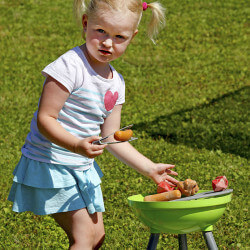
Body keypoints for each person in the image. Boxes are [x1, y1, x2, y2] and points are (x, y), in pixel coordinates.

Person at [8, 0, 179, 249]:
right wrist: (76, 144)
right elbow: (45, 119)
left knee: (96, 238)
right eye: (101, 31)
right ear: (86, 23)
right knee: (85, 238)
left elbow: (111, 136)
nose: (108, 42)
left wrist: (149, 168)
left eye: (119, 36)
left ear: (133, 37)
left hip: (80, 167)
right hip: (51, 164)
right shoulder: (70, 66)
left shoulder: (116, 83)